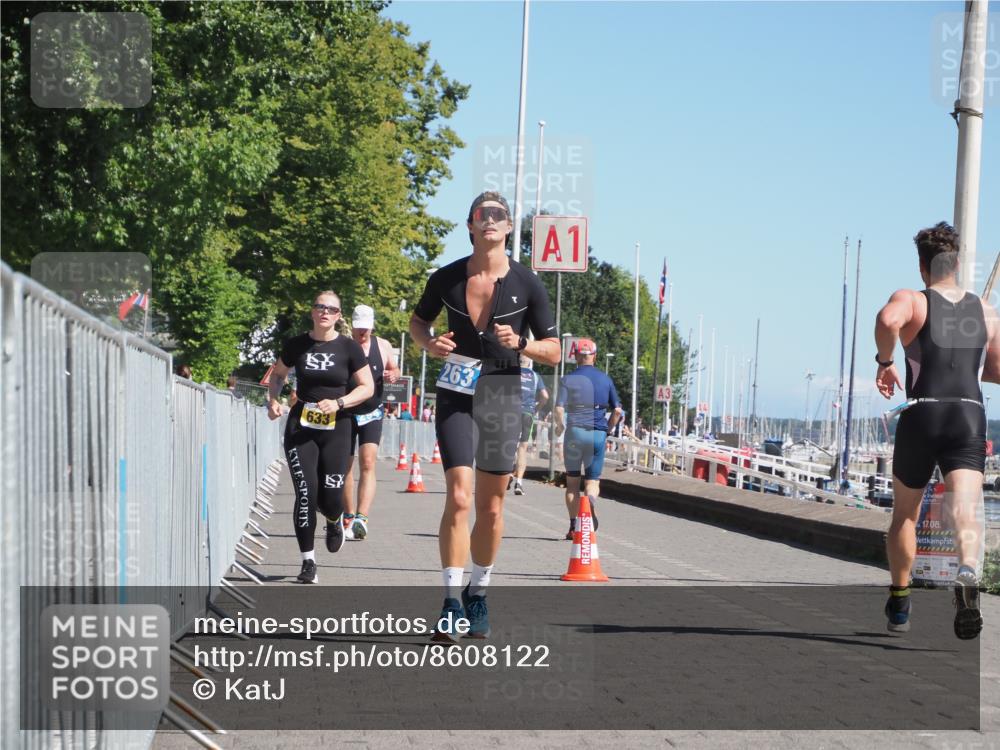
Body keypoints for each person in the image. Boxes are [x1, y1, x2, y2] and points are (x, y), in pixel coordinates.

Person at [410, 190, 559, 640]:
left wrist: (521, 344)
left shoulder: (528, 283)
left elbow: (553, 351)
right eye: (482, 215)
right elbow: (418, 323)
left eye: (499, 215)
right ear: (471, 225)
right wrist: (428, 343)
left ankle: (479, 592)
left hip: (502, 392)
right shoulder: (447, 277)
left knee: (490, 508)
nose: (490, 220)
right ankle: (451, 601)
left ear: (510, 227)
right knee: (458, 496)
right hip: (455, 391)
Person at [875, 221, 999, 639]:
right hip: (968, 414)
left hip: (923, 413)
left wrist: (884, 361)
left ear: (922, 266)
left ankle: (900, 601)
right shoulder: (984, 311)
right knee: (966, 506)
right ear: (958, 263)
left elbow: (887, 319)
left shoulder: (912, 299)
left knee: (905, 516)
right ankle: (966, 570)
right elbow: (996, 368)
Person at [267, 291, 374, 584]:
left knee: (330, 497)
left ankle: (333, 520)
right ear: (312, 312)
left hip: (338, 427)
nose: (324, 312)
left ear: (339, 316)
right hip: (301, 426)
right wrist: (273, 399)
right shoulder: (297, 345)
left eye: (331, 309)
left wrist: (339, 403)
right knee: (305, 494)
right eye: (319, 307)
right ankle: (308, 562)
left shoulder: (349, 348)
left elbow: (367, 387)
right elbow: (278, 375)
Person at [341, 304, 400, 541]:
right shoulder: (343, 346)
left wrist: (394, 373)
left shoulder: (382, 346)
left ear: (372, 326)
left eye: (365, 328)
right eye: (358, 329)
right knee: (345, 465)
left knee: (368, 463)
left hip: (372, 412)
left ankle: (361, 518)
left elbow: (394, 368)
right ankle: (347, 513)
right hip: (346, 411)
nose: (361, 333)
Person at [555, 338, 623, 540]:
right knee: (592, 481)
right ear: (595, 356)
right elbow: (617, 410)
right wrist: (608, 429)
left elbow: (559, 408)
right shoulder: (606, 379)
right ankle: (590, 502)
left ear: (575, 356)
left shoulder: (568, 379)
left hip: (575, 431)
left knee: (573, 483)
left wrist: (561, 427)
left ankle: (574, 526)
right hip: (598, 433)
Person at [508, 355, 549, 496]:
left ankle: (507, 473)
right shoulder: (535, 376)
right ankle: (519, 482)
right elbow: (545, 397)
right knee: (523, 448)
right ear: (530, 361)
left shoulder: (511, 372)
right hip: (528, 412)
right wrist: (536, 408)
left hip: (511, 411)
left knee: (509, 444)